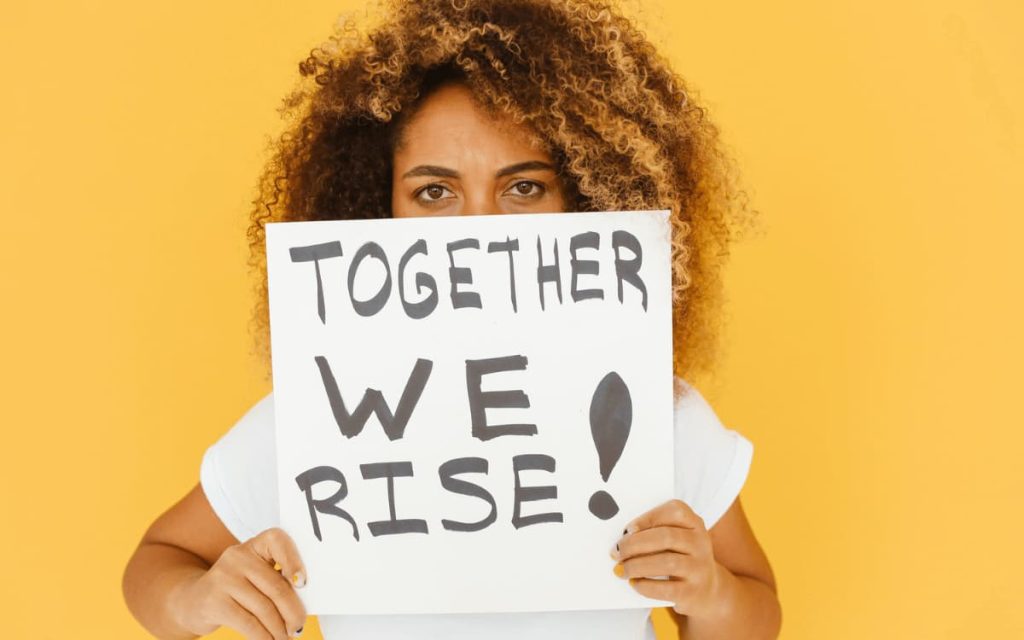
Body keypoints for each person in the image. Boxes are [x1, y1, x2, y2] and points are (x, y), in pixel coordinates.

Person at [122, 0, 782, 638]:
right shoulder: (324, 422)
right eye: (434, 192)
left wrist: (711, 592)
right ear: (374, 211)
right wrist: (197, 598)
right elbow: (156, 564)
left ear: (584, 198)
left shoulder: (646, 413)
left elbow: (757, 615)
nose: (479, 229)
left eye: (524, 186)